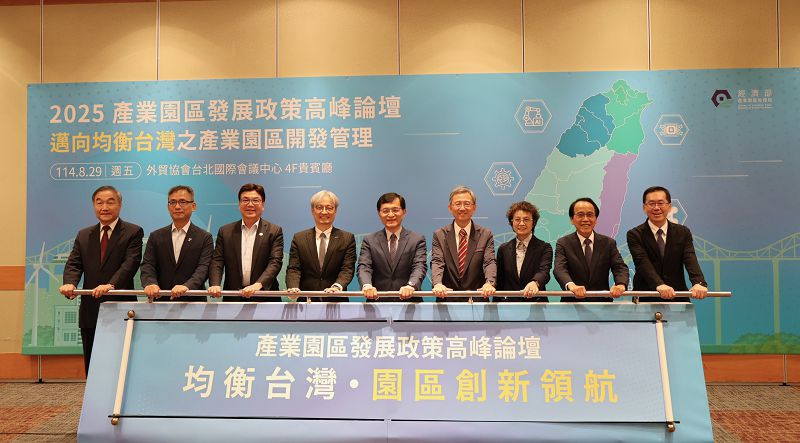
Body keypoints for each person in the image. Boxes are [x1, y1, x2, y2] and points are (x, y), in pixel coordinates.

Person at [59, 186, 143, 374]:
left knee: (121, 364)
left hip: (120, 307)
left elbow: (130, 264)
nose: (104, 207)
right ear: (94, 206)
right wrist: (70, 282)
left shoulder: (133, 232)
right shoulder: (84, 234)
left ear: (119, 205)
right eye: (99, 202)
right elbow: (74, 263)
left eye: (110, 202)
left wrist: (111, 284)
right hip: (90, 309)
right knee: (93, 364)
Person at [626, 186, 708, 302]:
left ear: (669, 206)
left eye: (661, 203)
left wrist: (698, 282)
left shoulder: (683, 232)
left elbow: (690, 258)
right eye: (651, 204)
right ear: (644, 207)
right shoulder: (635, 234)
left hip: (677, 295)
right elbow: (642, 262)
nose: (656, 208)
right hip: (646, 296)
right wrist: (659, 284)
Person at [208, 183, 284, 302]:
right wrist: (215, 284)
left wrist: (258, 284)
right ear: (239, 204)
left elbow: (275, 262)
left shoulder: (274, 231)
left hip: (264, 295)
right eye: (245, 200)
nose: (250, 204)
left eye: (255, 200)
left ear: (263, 205)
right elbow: (217, 260)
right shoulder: (225, 231)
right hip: (234, 296)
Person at [140, 185, 213, 302]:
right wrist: (150, 283)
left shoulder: (204, 237)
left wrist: (187, 286)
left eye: (182, 202)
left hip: (193, 301)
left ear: (193, 206)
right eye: (173, 202)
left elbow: (203, 268)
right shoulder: (156, 236)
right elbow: (148, 265)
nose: (177, 206)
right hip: (161, 300)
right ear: (168, 207)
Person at [286, 190, 356, 302]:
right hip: (306, 301)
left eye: (329, 208)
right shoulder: (299, 238)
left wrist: (337, 287)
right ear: (312, 210)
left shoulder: (347, 238)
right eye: (319, 207)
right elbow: (294, 268)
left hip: (336, 301)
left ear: (335, 211)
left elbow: (347, 269)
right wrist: (293, 288)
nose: (324, 212)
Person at [554, 198, 628, 302]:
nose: (585, 219)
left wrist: (620, 284)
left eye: (590, 215)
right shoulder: (563, 243)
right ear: (572, 219)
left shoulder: (608, 243)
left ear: (596, 219)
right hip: (572, 303)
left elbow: (619, 267)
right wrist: (572, 286)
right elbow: (559, 269)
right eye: (580, 215)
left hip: (602, 304)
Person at [357, 192, 427, 302]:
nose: (390, 215)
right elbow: (364, 266)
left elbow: (419, 266)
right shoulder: (369, 240)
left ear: (404, 212)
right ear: (379, 213)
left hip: (410, 303)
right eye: (385, 211)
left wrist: (411, 285)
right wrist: (367, 285)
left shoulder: (417, 239)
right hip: (377, 303)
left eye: (395, 210)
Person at [430, 186, 496, 302]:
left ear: (474, 207)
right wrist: (437, 284)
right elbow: (437, 262)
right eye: (457, 204)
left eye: (467, 204)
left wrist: (489, 283)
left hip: (476, 301)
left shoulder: (485, 234)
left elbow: (489, 262)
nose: (462, 208)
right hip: (447, 300)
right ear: (450, 208)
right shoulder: (439, 235)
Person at [495, 201, 552, 302]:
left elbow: (544, 272)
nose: (521, 223)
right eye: (517, 219)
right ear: (512, 222)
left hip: (536, 303)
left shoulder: (544, 248)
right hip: (509, 305)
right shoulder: (503, 249)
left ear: (533, 222)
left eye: (526, 219)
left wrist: (535, 282)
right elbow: (500, 281)